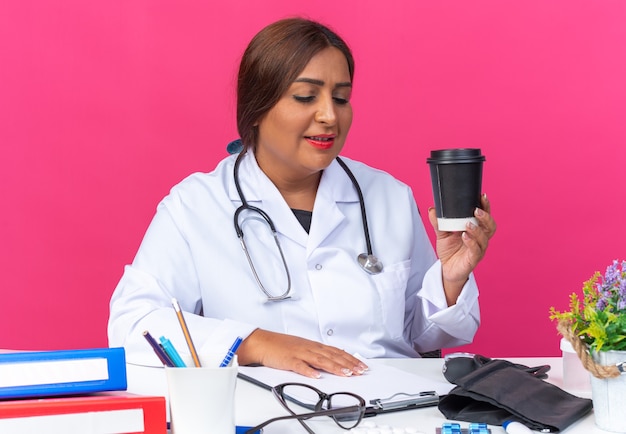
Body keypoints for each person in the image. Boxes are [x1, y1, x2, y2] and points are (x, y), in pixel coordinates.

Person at [108, 17, 496, 379]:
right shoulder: (195, 207)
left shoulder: (388, 197)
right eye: (306, 96)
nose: (329, 115)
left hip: (386, 405)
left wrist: (450, 279)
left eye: (341, 98)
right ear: (256, 107)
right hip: (266, 410)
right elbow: (132, 323)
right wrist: (255, 342)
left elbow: (421, 335)